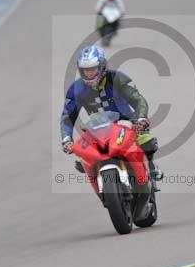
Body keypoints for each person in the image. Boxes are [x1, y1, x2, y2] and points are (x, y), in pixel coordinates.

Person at [60, 45, 163, 182]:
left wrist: (141, 118)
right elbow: (68, 116)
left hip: (126, 121)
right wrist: (66, 138)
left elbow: (138, 100)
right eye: (85, 71)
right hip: (97, 128)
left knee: (145, 140)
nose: (89, 74)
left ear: (102, 67)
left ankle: (151, 167)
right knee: (81, 161)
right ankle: (102, 186)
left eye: (92, 70)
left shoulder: (118, 78)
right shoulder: (76, 89)